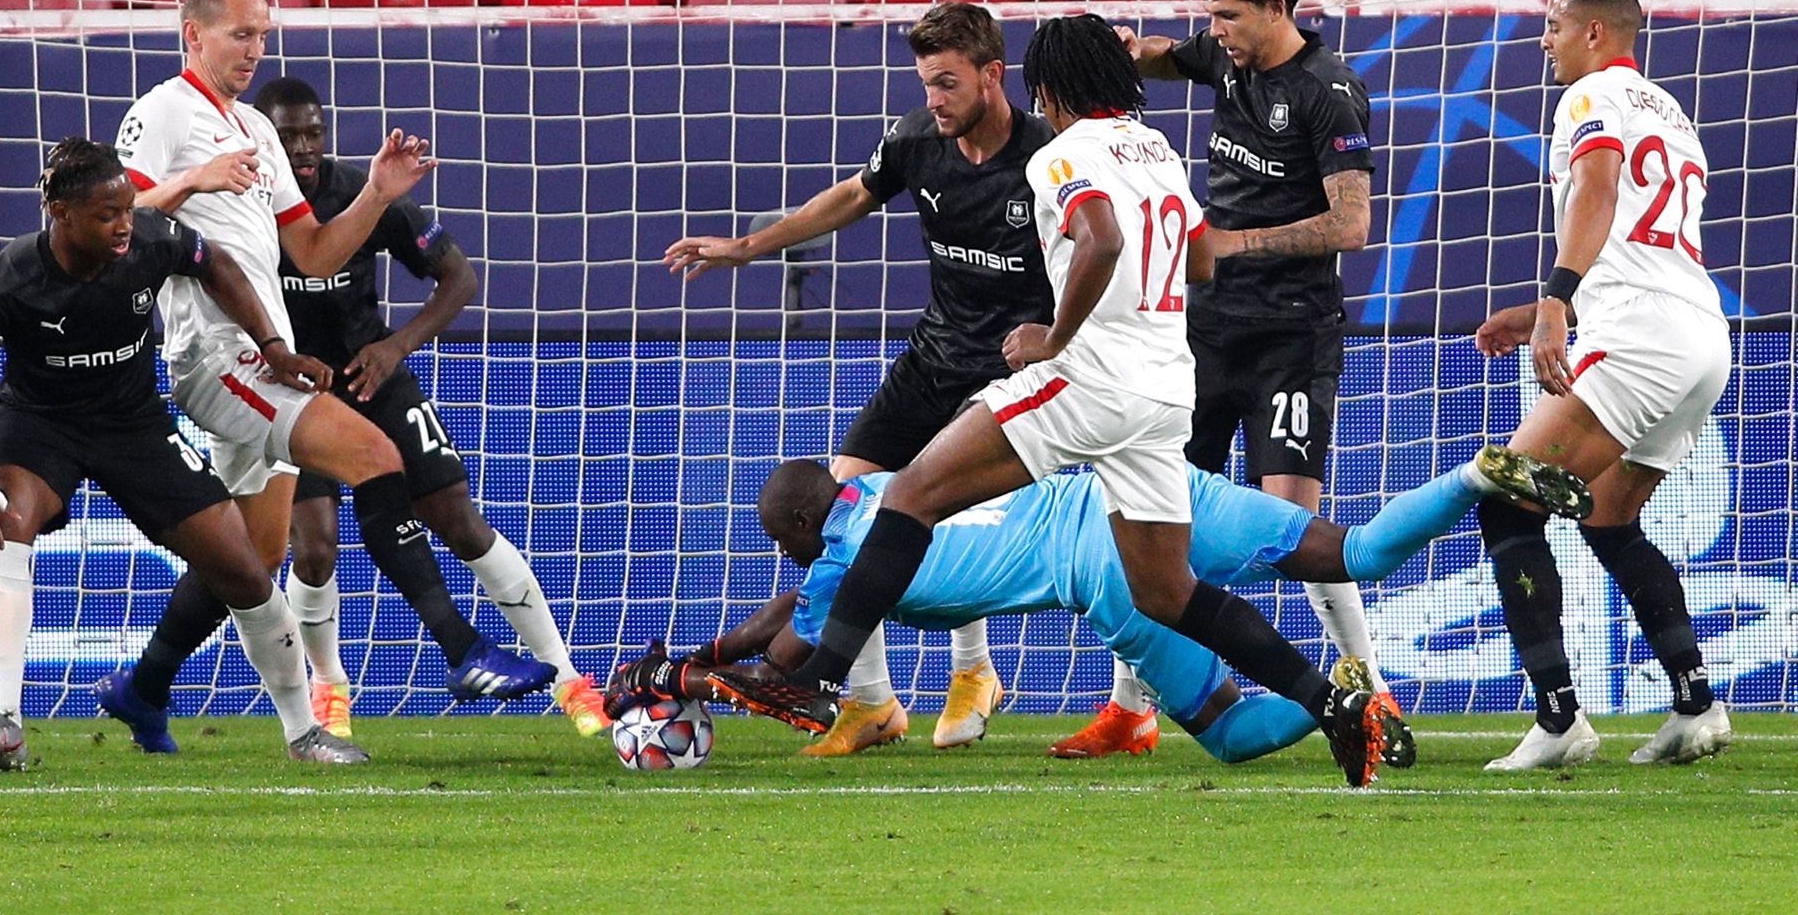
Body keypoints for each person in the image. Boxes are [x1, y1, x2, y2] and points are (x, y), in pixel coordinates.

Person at [699, 14, 1395, 786]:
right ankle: (1330, 699)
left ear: (1051, 87)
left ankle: (818, 677)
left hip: (1086, 380)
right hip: (1164, 394)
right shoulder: (1155, 146)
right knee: (1168, 592)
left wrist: (1054, 335)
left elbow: (1099, 237)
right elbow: (1198, 257)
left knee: (908, 497)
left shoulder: (1062, 154)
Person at [97, 0, 552, 754]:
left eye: (263, 33)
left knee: (254, 556)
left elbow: (308, 253)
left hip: (260, 355)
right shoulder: (161, 115)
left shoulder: (258, 129)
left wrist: (375, 193)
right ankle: (461, 650)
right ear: (192, 33)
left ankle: (142, 687)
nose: (254, 48)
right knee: (375, 454)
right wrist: (191, 180)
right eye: (241, 33)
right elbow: (111, 223)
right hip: (215, 352)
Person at [606, 447, 1586, 767]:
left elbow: (795, 665)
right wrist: (700, 652)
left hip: (1110, 572)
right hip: (1147, 484)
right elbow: (781, 613)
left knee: (1237, 734)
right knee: (1355, 550)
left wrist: (687, 677)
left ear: (801, 538)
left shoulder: (841, 566)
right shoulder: (886, 488)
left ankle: (1347, 699)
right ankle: (1472, 475)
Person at [665, 2, 1056, 754]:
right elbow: (849, 197)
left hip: (1009, 377)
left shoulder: (1045, 160)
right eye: (925, 83)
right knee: (834, 519)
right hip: (932, 360)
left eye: (948, 83)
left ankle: (974, 671)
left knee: (937, 505)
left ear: (993, 76)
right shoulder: (916, 141)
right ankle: (872, 704)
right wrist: (749, 246)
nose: (934, 100)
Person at [0, 139, 367, 769]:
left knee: (244, 568)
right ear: (58, 212)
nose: (124, 223)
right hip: (38, 426)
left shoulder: (151, 239)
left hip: (133, 424)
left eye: (127, 208)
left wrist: (273, 347)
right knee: (6, 519)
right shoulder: (9, 280)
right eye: (105, 214)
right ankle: (4, 723)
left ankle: (304, 734)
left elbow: (218, 266)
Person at [1084, 0, 1394, 762]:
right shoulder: (1226, 59)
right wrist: (1119, 51)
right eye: (1209, 11)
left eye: (1228, 13)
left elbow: (1352, 224)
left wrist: (1234, 244)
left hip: (1290, 337)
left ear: (1278, 9)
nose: (1214, 27)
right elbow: (1159, 56)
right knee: (1154, 516)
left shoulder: (1329, 92)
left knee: (1290, 524)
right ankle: (1131, 709)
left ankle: (1366, 684)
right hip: (1205, 334)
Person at [253, 76, 608, 739]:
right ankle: (330, 687)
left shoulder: (363, 196)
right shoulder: (247, 208)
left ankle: (566, 677)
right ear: (260, 134)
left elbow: (459, 276)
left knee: (457, 518)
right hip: (294, 396)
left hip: (373, 378)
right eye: (287, 133)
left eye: (313, 131)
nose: (302, 146)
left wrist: (397, 346)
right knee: (315, 549)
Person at [1472, 0, 1732, 771]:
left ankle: (1558, 721)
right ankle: (1695, 704)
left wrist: (1556, 299)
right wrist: (1554, 308)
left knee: (1507, 503)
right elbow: (1642, 250)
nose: (1542, 41)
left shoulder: (1588, 100)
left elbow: (1597, 183)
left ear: (1593, 33)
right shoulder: (1671, 112)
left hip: (1642, 342)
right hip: (1701, 340)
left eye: (1552, 26)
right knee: (1608, 517)